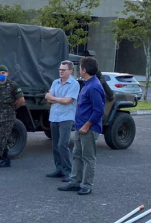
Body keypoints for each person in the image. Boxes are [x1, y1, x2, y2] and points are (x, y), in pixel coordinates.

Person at [58, 56, 106, 196]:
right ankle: (75, 182)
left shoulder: (94, 87)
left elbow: (99, 110)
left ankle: (86, 185)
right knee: (77, 155)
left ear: (84, 70)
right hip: (81, 127)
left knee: (88, 157)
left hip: (88, 129)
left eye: (80, 67)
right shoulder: (88, 84)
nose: (79, 69)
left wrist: (86, 126)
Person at [44, 60, 80, 182]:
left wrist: (53, 98)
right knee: (55, 145)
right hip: (54, 117)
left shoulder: (74, 84)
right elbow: (48, 100)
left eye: (63, 70)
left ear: (70, 71)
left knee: (62, 144)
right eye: (60, 69)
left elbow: (68, 101)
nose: (61, 71)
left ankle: (68, 171)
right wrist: (57, 99)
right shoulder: (55, 82)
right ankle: (59, 169)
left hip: (66, 117)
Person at [0, 64, 25, 170]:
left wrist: (13, 109)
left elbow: (21, 100)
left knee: (1, 138)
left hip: (8, 117)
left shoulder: (13, 85)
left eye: (3, 73)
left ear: (7, 74)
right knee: (2, 138)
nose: (1, 75)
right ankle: (6, 160)